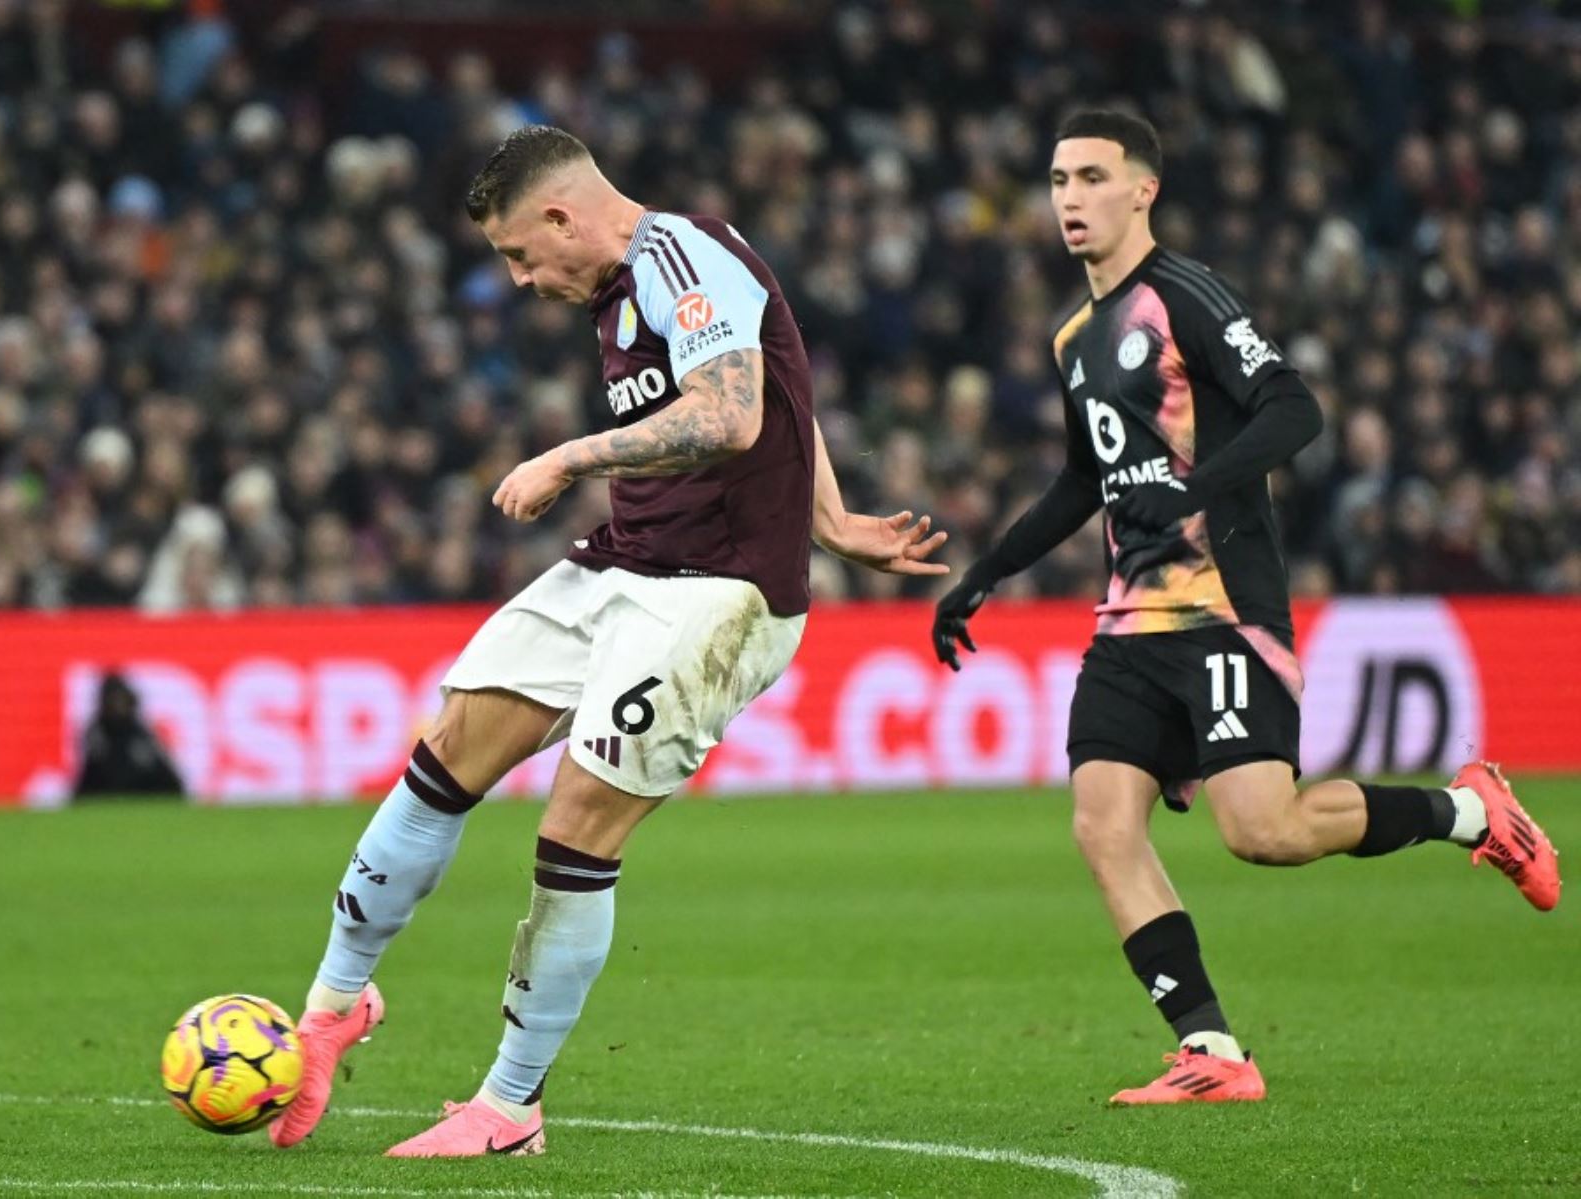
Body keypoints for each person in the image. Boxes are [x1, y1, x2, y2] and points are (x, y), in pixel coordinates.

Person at [268, 125, 948, 1157]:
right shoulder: (622, 290)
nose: (519, 278)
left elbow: (732, 412)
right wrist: (835, 519)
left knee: (576, 827)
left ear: (560, 214)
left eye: (518, 253)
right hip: (624, 564)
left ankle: (508, 1106)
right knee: (447, 750)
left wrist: (568, 455)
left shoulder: (682, 255)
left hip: (719, 595)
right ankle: (331, 1006)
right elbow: (783, 384)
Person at [931, 109, 1561, 1106]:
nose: (1069, 199)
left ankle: (1476, 811)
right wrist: (984, 572)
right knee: (1102, 824)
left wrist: (1199, 485)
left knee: (1262, 830)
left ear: (1144, 189)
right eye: (1057, 180)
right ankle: (1211, 1047)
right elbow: (1077, 479)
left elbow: (1295, 407)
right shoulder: (1075, 337)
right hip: (1129, 621)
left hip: (1223, 607)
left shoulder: (1183, 295)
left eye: (1092, 177)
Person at [71, 672, 185, 799]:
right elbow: (90, 775)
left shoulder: (141, 735)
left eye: (121, 701)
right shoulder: (96, 734)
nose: (118, 707)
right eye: (113, 701)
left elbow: (168, 779)